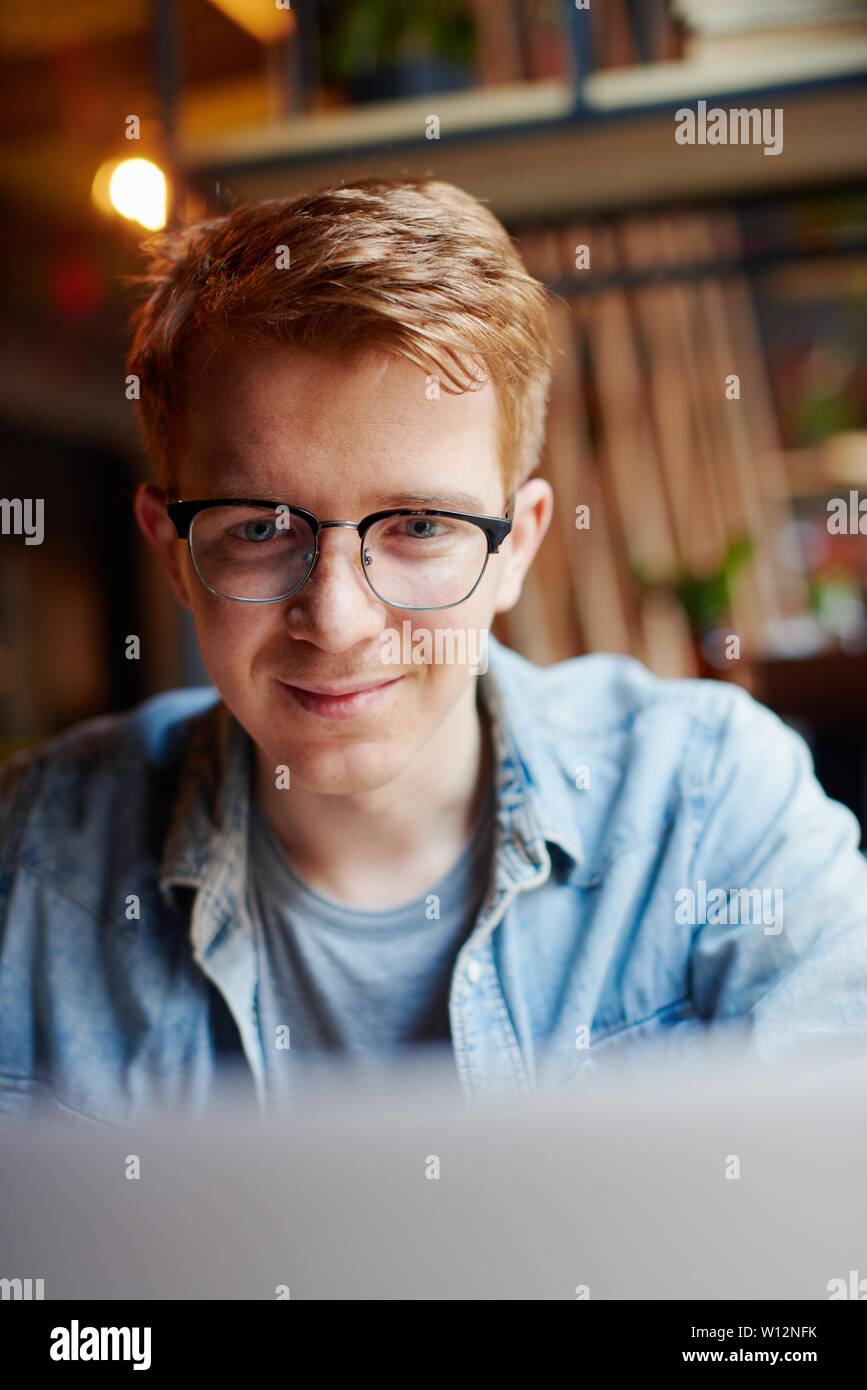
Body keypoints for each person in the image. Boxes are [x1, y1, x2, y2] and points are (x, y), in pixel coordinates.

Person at [1, 177, 865, 1128]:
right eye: (258, 529)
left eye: (417, 525)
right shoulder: (32, 858)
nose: (335, 620)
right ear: (172, 552)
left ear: (517, 550)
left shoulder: (710, 808)